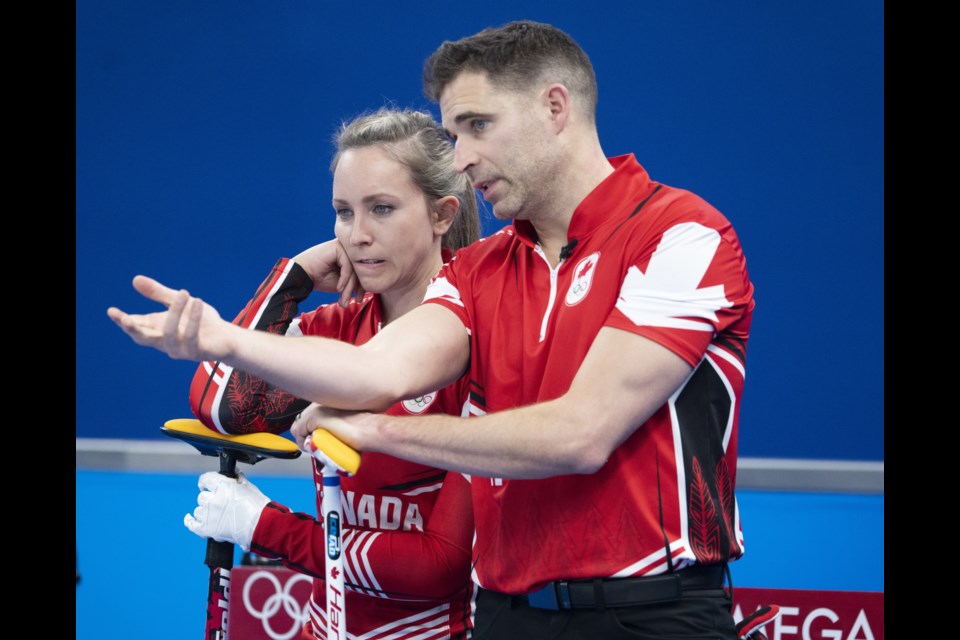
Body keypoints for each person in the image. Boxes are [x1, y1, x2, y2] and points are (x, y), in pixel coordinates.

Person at [109, 21, 757, 639]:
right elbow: (375, 371)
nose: (463, 157)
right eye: (453, 134)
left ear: (555, 108)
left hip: (650, 613)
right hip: (507, 617)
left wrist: (375, 432)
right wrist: (219, 338)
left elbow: (581, 434)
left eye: (478, 126)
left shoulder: (680, 234)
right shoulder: (481, 271)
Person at [181, 107, 481, 640]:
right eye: (344, 212)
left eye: (382, 209)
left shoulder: (482, 332)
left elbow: (438, 567)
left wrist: (265, 527)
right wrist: (290, 278)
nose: (358, 235)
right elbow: (222, 406)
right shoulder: (339, 325)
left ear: (442, 214)